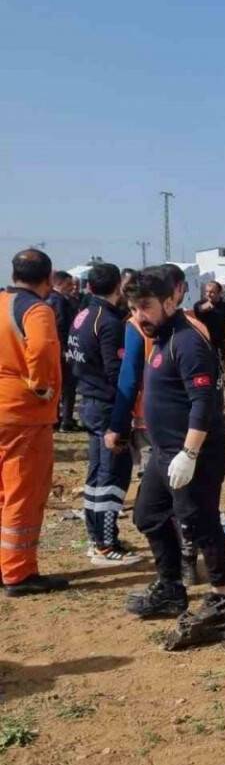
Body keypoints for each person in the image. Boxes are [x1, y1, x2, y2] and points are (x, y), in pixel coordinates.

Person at [123, 267, 225, 618]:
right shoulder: (162, 337)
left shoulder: (186, 341)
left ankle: (222, 596)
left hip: (194, 453)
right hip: (164, 454)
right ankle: (170, 587)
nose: (140, 315)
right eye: (134, 308)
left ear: (170, 300)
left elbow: (203, 402)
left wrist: (189, 453)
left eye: (146, 306)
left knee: (200, 523)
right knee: (149, 515)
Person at [106, 264, 210, 584]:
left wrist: (118, 425)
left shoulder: (175, 331)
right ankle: (183, 564)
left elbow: (129, 379)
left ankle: (186, 565)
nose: (139, 314)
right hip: (179, 429)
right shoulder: (191, 326)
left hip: (168, 433)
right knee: (172, 503)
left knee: (173, 501)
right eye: (134, 307)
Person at [0, 249, 68, 596]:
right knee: (23, 493)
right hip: (23, 415)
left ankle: (4, 564)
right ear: (48, 277)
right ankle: (18, 572)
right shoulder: (36, 309)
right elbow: (41, 350)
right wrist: (42, 388)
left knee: (2, 493)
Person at [66, 262, 142, 565]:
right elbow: (117, 372)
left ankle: (96, 538)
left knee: (97, 474)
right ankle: (105, 546)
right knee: (113, 476)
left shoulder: (84, 314)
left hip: (90, 401)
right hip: (108, 407)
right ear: (117, 287)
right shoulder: (108, 321)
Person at [46, 270, 79, 430]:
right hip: (63, 349)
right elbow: (61, 326)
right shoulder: (59, 301)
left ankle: (58, 418)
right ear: (60, 283)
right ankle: (65, 419)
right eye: (69, 284)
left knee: (59, 386)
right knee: (67, 386)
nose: (72, 287)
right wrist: (65, 348)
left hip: (55, 348)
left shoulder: (49, 299)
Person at [193, 280, 225, 368]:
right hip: (203, 346)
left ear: (219, 293)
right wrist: (203, 308)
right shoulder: (199, 304)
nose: (208, 294)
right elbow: (197, 310)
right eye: (207, 292)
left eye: (212, 292)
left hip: (221, 348)